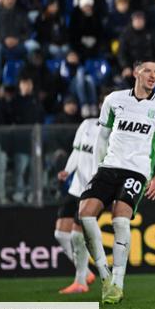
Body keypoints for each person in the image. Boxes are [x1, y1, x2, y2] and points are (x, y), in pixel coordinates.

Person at [78, 61, 155, 305]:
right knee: (85, 214)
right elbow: (101, 137)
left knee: (120, 219)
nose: (153, 76)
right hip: (109, 167)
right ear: (136, 73)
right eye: (148, 71)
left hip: (137, 171)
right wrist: (95, 169)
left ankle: (118, 284)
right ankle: (105, 277)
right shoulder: (113, 99)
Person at [55, 116, 99, 294]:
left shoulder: (115, 132)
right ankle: (86, 272)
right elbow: (77, 151)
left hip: (93, 192)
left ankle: (80, 282)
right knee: (60, 234)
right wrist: (68, 169)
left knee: (76, 235)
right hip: (75, 188)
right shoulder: (87, 124)